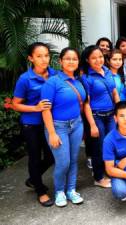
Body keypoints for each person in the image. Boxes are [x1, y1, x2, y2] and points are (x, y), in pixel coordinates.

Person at [41, 47, 86, 207]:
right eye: (67, 58)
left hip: (76, 124)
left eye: (74, 59)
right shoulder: (52, 82)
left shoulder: (79, 81)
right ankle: (59, 191)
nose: (71, 61)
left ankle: (71, 190)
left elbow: (82, 103)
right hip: (57, 127)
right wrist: (52, 133)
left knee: (73, 160)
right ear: (60, 61)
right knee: (63, 162)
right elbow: (45, 109)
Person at [12, 42, 55, 207]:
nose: (44, 59)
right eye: (39, 56)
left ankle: (32, 178)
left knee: (51, 156)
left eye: (46, 55)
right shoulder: (25, 79)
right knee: (35, 158)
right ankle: (40, 191)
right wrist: (35, 107)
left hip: (49, 124)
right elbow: (15, 104)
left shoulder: (54, 75)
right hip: (32, 125)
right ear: (31, 58)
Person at [81, 45, 120, 188]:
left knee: (110, 144)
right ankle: (98, 177)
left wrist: (119, 112)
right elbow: (86, 104)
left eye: (100, 57)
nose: (98, 60)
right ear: (87, 60)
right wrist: (91, 124)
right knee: (99, 147)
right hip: (97, 116)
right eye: (94, 58)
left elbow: (114, 92)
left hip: (111, 115)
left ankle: (109, 170)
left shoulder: (108, 71)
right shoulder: (86, 77)